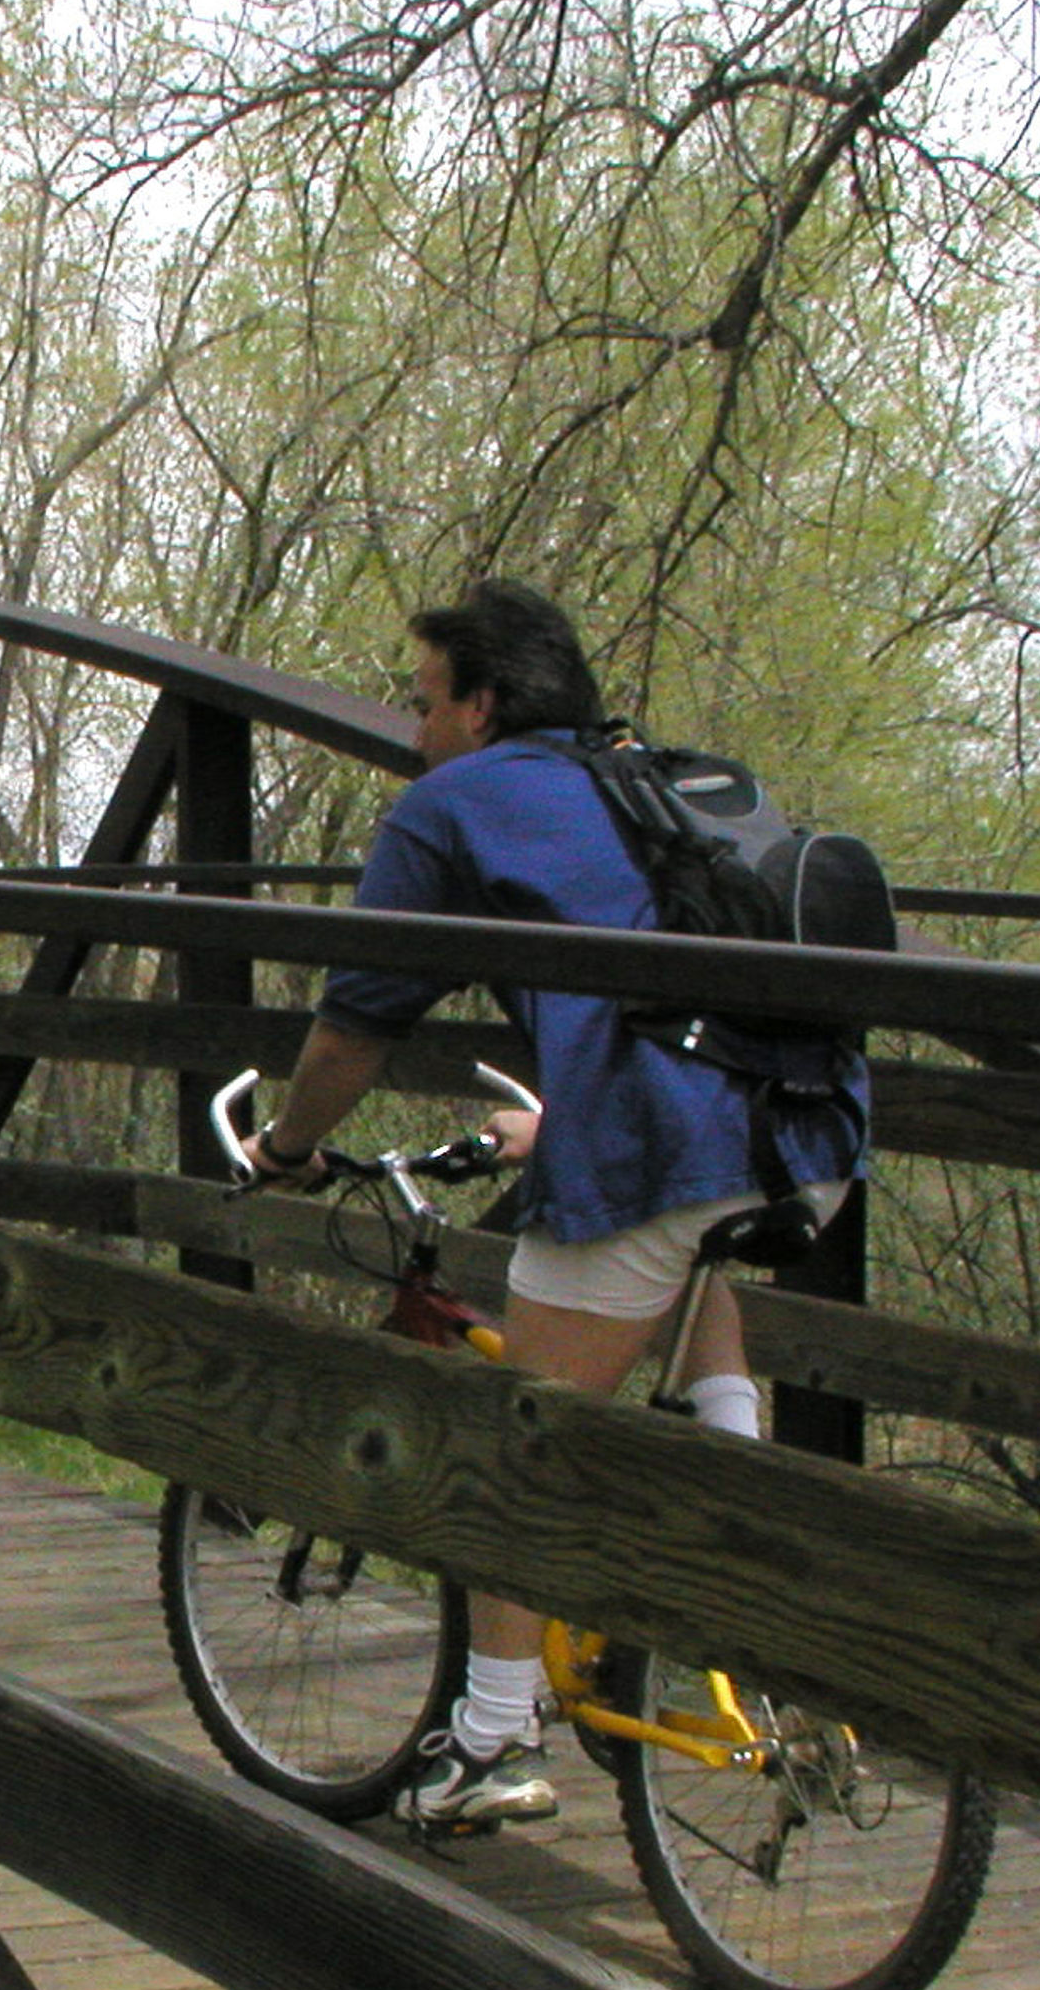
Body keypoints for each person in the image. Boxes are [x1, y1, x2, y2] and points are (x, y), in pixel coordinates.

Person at [238, 579, 866, 1834]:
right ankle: (740, 1512)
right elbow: (669, 988)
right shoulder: (658, 779)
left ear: (479, 704)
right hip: (813, 1136)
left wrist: (290, 1149)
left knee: (502, 1442)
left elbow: (356, 1024)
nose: (411, 732)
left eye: (423, 704)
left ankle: (491, 1733)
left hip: (664, 1143)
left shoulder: (452, 804)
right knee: (696, 1250)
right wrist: (566, 1115)